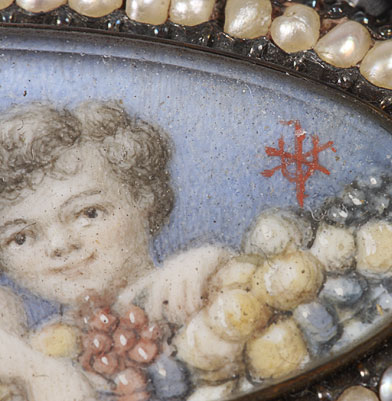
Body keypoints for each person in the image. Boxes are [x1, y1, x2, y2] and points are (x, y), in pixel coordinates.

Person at [0, 101, 230, 401]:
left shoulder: (193, 286)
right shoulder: (38, 354)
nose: (59, 245)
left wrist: (214, 265)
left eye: (88, 213)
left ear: (142, 197)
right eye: (21, 238)